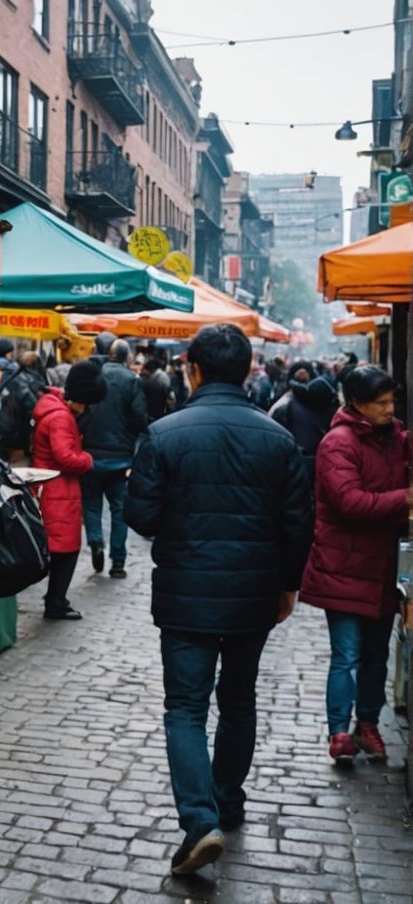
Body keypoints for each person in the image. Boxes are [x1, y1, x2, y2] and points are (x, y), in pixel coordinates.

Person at [124, 323, 312, 876]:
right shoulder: (277, 438)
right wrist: (287, 584)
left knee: (185, 707)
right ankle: (227, 800)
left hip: (187, 593)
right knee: (238, 700)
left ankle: (199, 820)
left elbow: (141, 516)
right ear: (250, 369)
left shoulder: (164, 434)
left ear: (193, 368)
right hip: (254, 593)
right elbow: (298, 523)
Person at [298, 366, 412, 764]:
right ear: (358, 404)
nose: (389, 409)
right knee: (346, 655)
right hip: (342, 567)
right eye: (381, 403)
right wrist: (405, 499)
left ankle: (367, 726)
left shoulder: (396, 438)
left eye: (391, 402)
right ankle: (338, 734)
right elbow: (351, 502)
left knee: (376, 654)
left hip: (381, 568)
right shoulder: (338, 443)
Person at [31, 360, 104, 620]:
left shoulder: (55, 409)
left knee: (60, 548)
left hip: (52, 487)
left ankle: (55, 599)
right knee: (65, 549)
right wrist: (87, 459)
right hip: (57, 489)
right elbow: (66, 457)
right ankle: (55, 602)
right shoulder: (61, 417)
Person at [80, 338, 147, 579]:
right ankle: (118, 562)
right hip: (120, 456)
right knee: (119, 509)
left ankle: (95, 540)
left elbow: (81, 409)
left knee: (91, 503)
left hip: (91, 453)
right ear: (126, 356)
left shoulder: (95, 374)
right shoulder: (131, 380)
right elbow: (139, 417)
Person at [269, 361, 338, 475]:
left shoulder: (284, 403)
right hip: (319, 460)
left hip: (299, 462)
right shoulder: (324, 399)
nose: (302, 373)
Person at [141, 357, 173, 421]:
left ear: (149, 370)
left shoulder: (161, 378)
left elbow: (169, 397)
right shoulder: (160, 376)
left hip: (159, 409)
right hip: (156, 410)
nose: (144, 372)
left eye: (145, 370)